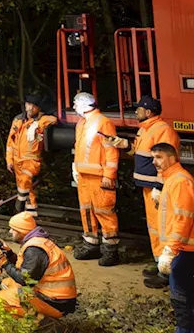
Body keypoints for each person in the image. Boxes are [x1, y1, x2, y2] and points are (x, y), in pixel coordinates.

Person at [106, 96, 180, 287]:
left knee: (163, 229)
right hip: (149, 188)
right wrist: (124, 145)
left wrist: (160, 186)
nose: (136, 112)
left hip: (158, 188)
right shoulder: (146, 129)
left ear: (148, 112)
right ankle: (160, 265)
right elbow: (140, 152)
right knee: (155, 228)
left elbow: (166, 161)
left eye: (139, 109)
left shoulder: (162, 130)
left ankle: (168, 273)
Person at [151, 142, 194, 333]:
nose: (155, 162)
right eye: (154, 157)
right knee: (190, 301)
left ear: (173, 158)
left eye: (159, 157)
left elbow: (183, 219)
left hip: (185, 251)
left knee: (182, 302)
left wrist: (170, 250)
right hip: (186, 251)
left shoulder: (179, 181)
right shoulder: (174, 180)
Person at [0, 211, 78, 320]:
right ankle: (33, 314)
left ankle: (37, 322)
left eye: (13, 229)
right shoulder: (38, 242)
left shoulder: (35, 250)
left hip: (55, 302)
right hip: (56, 297)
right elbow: (28, 268)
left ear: (22, 231)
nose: (10, 231)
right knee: (8, 283)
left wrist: (4, 263)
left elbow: (25, 279)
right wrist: (9, 254)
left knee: (2, 298)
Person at [71, 92, 121, 265]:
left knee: (104, 211)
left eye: (76, 104)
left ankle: (111, 250)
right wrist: (76, 168)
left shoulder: (103, 122)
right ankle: (91, 244)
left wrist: (109, 175)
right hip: (85, 176)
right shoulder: (82, 123)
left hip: (99, 177)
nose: (74, 107)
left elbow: (111, 151)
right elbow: (80, 148)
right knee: (86, 210)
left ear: (85, 105)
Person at [6, 93, 58, 215]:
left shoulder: (42, 119)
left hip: (31, 161)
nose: (29, 108)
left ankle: (18, 208)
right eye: (28, 104)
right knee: (26, 186)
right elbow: (10, 142)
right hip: (17, 160)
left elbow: (54, 119)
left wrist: (37, 124)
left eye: (32, 106)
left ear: (38, 108)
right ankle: (31, 210)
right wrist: (9, 160)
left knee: (24, 183)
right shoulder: (18, 119)